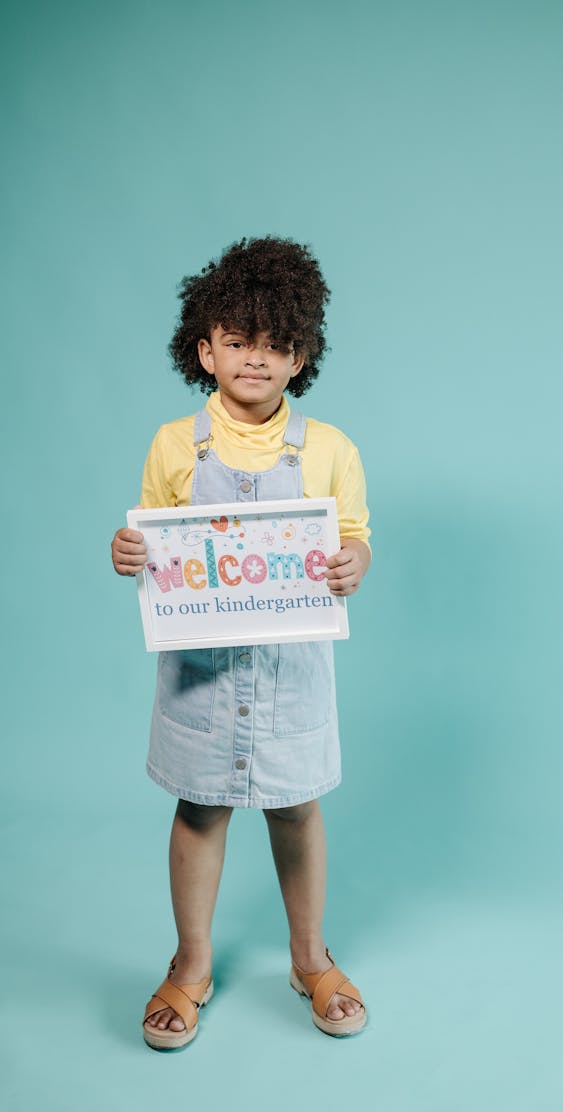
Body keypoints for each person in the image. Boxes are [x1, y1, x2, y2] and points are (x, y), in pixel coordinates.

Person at [111, 236, 371, 1050]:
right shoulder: (172, 446)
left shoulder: (329, 449)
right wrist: (129, 553)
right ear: (205, 347)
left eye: (273, 343)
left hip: (292, 671)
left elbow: (355, 538)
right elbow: (149, 541)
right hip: (199, 675)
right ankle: (191, 965)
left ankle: (309, 956)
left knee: (296, 808)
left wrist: (350, 562)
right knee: (199, 808)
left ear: (300, 356)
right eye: (236, 339)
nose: (253, 358)